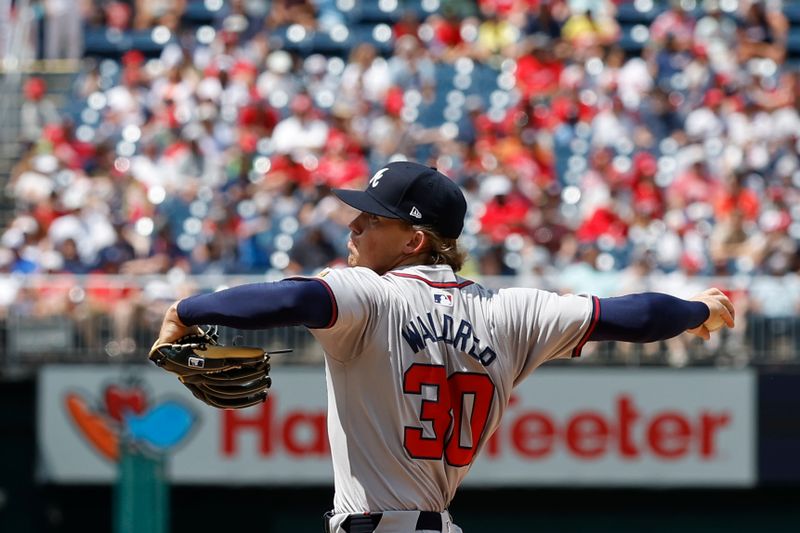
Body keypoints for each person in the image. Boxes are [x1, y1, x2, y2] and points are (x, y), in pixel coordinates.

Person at [153, 161, 735, 533]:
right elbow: (631, 315)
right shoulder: (512, 310)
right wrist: (699, 311)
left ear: (413, 239)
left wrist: (187, 309)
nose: (354, 227)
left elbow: (292, 301)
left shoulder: (370, 296)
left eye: (371, 219)